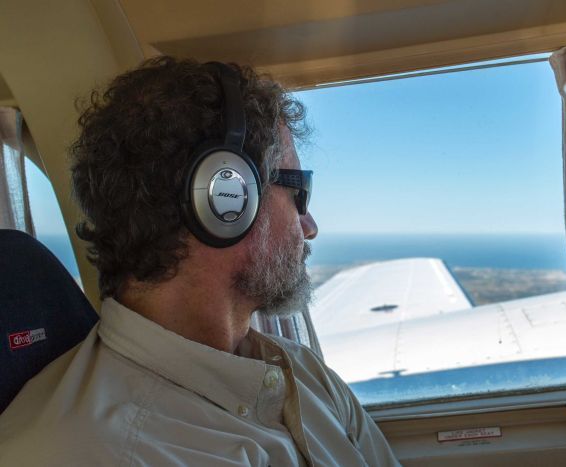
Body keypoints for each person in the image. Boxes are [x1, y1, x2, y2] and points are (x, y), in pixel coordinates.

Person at [0, 57, 400, 466]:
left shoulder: (302, 374)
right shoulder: (98, 453)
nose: (310, 225)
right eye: (299, 192)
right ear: (225, 199)